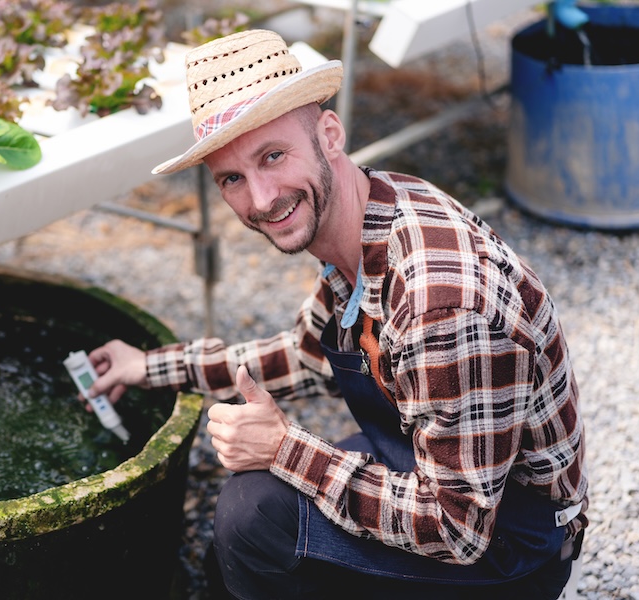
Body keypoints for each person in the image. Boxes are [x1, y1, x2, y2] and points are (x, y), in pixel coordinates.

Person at [84, 29, 588, 599]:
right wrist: (147, 367)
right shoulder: (364, 219)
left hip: (513, 545)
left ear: (329, 135)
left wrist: (284, 448)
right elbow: (303, 355)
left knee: (252, 521)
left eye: (272, 156)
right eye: (232, 178)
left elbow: (457, 529)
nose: (261, 198)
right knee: (231, 553)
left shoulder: (438, 305)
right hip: (444, 476)